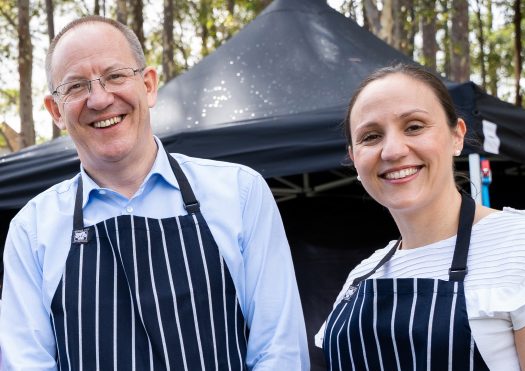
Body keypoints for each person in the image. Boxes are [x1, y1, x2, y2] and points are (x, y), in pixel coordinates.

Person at [0, 16, 309, 370]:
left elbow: (280, 352)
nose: (99, 99)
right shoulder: (32, 229)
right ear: (56, 110)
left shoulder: (240, 192)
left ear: (148, 85)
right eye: (76, 86)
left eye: (115, 76)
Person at [315, 63, 525, 370]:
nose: (392, 150)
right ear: (354, 158)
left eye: (414, 126)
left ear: (457, 136)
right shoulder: (361, 277)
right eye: (371, 136)